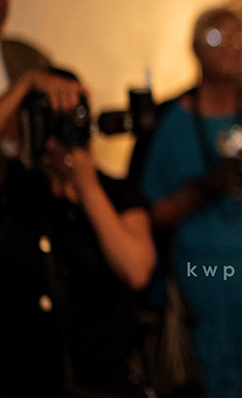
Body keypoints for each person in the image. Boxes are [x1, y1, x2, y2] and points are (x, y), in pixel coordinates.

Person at [137, 7, 242, 398]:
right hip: (203, 281)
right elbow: (150, 214)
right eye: (215, 37)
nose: (228, 46)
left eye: (236, 37)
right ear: (194, 49)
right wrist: (203, 190)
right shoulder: (171, 122)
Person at [0, 65, 157, 397]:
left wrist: (87, 186)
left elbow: (136, 271)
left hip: (104, 381)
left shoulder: (117, 193)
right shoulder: (15, 190)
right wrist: (27, 83)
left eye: (74, 114)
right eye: (51, 116)